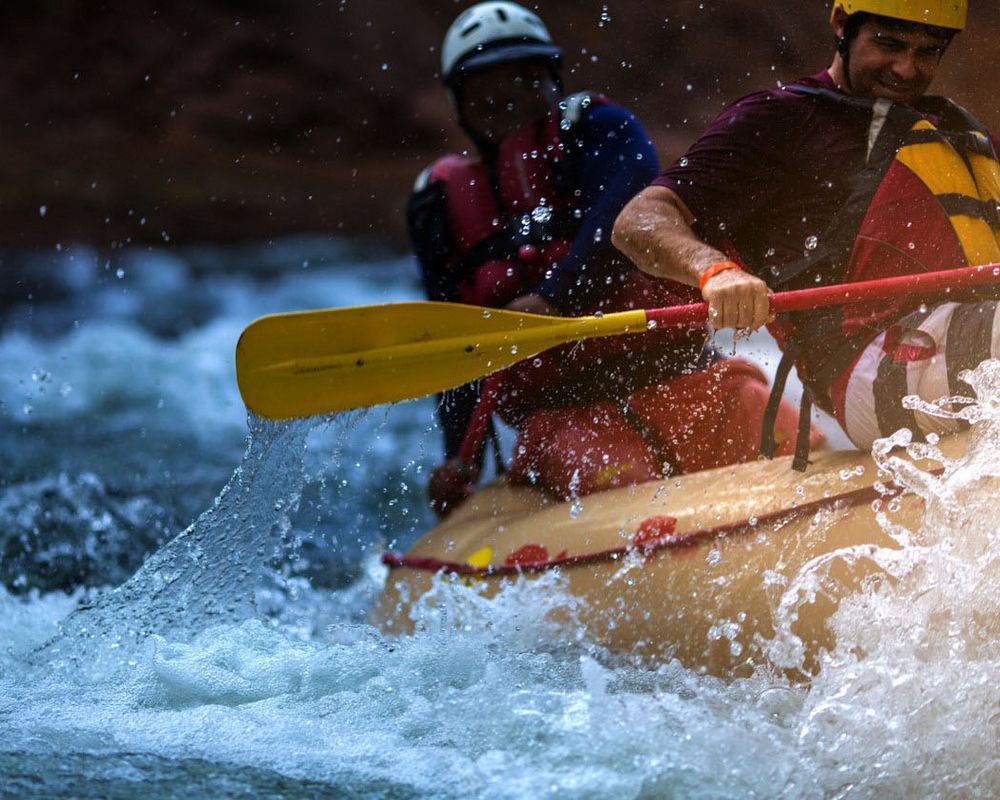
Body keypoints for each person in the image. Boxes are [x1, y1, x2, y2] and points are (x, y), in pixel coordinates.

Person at [409, 1, 816, 515]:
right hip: (563, 416)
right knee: (632, 498)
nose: (508, 101)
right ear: (460, 103)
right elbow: (456, 344)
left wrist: (551, 299)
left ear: (553, 82)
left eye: (525, 80)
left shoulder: (602, 129)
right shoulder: (440, 205)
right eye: (487, 89)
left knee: (803, 450)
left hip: (694, 380)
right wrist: (459, 458)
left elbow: (623, 223)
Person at [614, 0, 1000, 471]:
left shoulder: (953, 129)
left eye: (927, 52)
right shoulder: (780, 119)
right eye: (889, 44)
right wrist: (715, 271)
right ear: (842, 24)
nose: (906, 68)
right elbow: (639, 220)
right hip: (874, 371)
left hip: (976, 338)